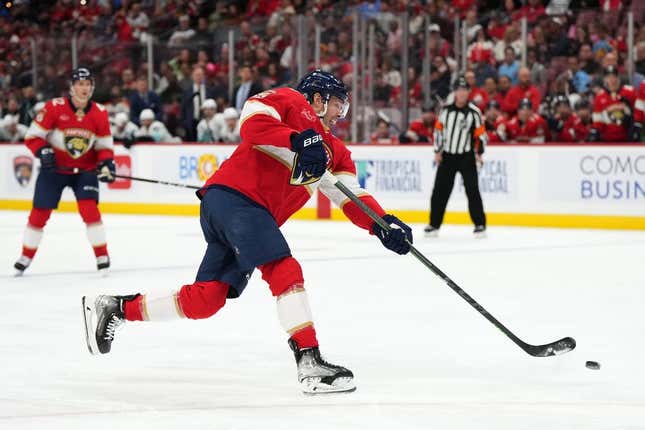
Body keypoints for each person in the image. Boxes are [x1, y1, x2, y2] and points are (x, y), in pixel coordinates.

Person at [81, 70, 413, 394]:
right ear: (317, 98)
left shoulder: (335, 152)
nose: (342, 111)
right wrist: (296, 138)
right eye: (338, 102)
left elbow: (350, 194)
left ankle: (118, 307)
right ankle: (309, 361)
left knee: (207, 299)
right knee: (284, 268)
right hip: (236, 201)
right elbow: (251, 120)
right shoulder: (291, 100)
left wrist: (382, 225)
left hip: (244, 213)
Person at [14, 68, 116, 275]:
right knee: (39, 214)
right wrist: (42, 151)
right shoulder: (53, 107)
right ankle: (26, 255)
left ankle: (102, 255)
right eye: (80, 84)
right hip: (54, 170)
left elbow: (104, 147)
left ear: (92, 87)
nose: (84, 88)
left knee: (90, 211)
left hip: (85, 170)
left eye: (88, 84)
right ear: (71, 87)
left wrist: (107, 164)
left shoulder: (100, 112)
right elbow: (32, 137)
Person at [425, 76, 487, 238]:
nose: (461, 93)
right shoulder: (446, 111)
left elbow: (480, 135)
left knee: (472, 190)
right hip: (448, 156)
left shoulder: (474, 112)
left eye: (464, 90)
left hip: (466, 157)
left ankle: (480, 224)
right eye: (458, 90)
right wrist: (438, 151)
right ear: (455, 92)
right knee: (440, 191)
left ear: (468, 92)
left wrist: (479, 154)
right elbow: (439, 131)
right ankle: (434, 224)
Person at [590, 66, 638, 142]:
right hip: (607, 140)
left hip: (627, 139)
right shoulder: (600, 96)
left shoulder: (630, 92)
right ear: (605, 79)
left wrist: (635, 127)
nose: (612, 80)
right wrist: (595, 133)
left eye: (614, 76)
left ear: (618, 78)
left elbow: (638, 113)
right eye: (609, 77)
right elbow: (597, 121)